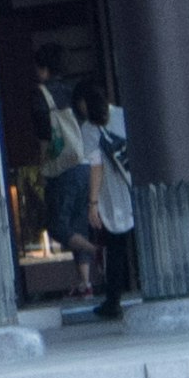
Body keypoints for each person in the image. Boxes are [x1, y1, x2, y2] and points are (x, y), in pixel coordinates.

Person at [73, 74, 136, 322]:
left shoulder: (90, 128)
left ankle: (113, 301)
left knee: (116, 249)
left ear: (84, 103)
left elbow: (96, 167)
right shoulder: (123, 115)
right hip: (136, 188)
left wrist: (93, 204)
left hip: (114, 196)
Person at [35, 54, 94, 283]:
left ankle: (94, 250)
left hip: (61, 168)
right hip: (84, 163)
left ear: (44, 69)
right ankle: (85, 283)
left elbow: (43, 136)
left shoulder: (41, 95)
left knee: (57, 226)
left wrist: (42, 167)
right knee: (79, 223)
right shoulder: (73, 92)